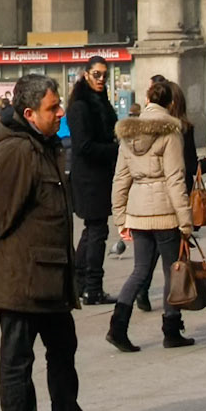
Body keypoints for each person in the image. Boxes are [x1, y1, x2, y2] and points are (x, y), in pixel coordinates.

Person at [0, 75, 101, 411]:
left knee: (63, 348)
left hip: (48, 272)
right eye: (52, 108)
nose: (60, 113)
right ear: (28, 113)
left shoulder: (43, 145)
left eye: (59, 105)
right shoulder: (17, 152)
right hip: (20, 275)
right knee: (17, 357)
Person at [105, 78, 196, 354]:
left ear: (147, 101)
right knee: (172, 271)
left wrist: (120, 217)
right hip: (165, 212)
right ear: (170, 103)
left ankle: (117, 327)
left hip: (138, 211)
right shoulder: (170, 131)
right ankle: (171, 329)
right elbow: (175, 179)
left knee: (139, 271)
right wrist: (186, 219)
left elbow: (120, 178)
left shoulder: (128, 134)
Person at [66, 57, 119, 306]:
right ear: (86, 74)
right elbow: (83, 145)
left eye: (104, 75)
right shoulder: (80, 106)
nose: (101, 80)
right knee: (97, 230)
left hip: (99, 174)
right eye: (96, 74)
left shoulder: (101, 101)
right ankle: (93, 288)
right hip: (88, 177)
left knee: (92, 230)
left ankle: (79, 283)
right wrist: (114, 150)